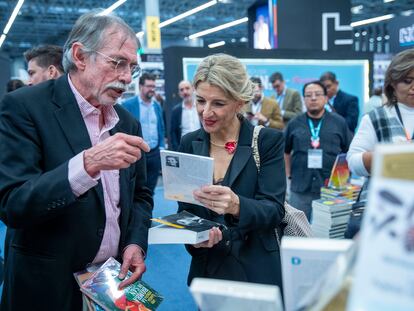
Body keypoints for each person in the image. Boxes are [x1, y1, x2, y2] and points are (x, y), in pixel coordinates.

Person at [0, 11, 153, 311]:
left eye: (132, 68)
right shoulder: (25, 108)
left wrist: (135, 243)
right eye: (117, 62)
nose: (125, 77)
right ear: (80, 56)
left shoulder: (127, 122)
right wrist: (88, 164)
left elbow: (141, 196)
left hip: (110, 279)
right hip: (47, 284)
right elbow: (14, 204)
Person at [177, 54, 286, 289]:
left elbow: (274, 210)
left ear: (239, 102)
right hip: (209, 270)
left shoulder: (267, 141)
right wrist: (195, 240)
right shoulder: (189, 143)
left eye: (218, 103)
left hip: (256, 270)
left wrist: (237, 205)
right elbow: (185, 211)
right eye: (200, 100)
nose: (206, 112)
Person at [284, 81, 352, 220]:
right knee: (298, 230)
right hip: (300, 187)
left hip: (331, 189)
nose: (313, 98)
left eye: (317, 94)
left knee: (329, 231)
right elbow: (285, 151)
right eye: (308, 95)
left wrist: (342, 180)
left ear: (326, 98)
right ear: (304, 99)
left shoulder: (339, 122)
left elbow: (348, 152)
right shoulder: (294, 123)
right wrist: (289, 175)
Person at [347, 49, 414, 177]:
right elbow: (353, 162)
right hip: (388, 195)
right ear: (393, 83)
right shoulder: (376, 118)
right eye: (407, 81)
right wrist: (392, 154)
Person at [123, 73, 165, 193]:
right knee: (135, 188)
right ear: (141, 86)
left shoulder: (157, 106)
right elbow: (124, 128)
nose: (152, 89)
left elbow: (161, 127)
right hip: (137, 154)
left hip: (154, 153)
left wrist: (161, 147)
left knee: (150, 189)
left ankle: (148, 211)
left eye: (153, 86)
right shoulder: (128, 105)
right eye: (148, 86)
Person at [170, 80, 201, 151]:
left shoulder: (200, 106)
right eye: (182, 90)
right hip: (184, 148)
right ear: (179, 93)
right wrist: (177, 150)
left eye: (187, 88)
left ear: (193, 89)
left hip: (202, 146)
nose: (185, 92)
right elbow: (173, 133)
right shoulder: (176, 111)